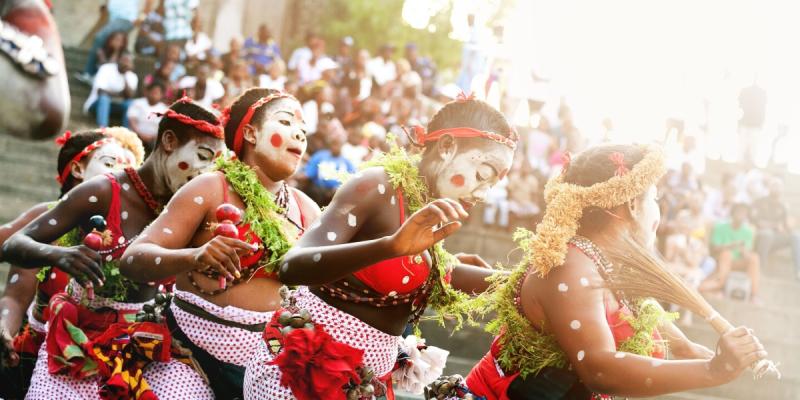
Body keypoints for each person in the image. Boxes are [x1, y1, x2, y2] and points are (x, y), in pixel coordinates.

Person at [244, 96, 517, 399]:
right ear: (447, 147)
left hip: (367, 381)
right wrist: (389, 247)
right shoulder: (376, 185)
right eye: (482, 175)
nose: (484, 194)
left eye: (493, 184)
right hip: (305, 376)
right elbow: (291, 267)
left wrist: (515, 281)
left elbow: (404, 266)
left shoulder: (428, 203)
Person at [465, 144, 766, 399]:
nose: (659, 212)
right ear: (634, 204)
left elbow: (684, 347)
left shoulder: (612, 270)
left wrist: (738, 364)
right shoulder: (571, 264)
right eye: (656, 199)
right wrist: (714, 371)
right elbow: (599, 368)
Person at [3, 98, 226, 399]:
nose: (207, 171)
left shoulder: (192, 210)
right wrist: (59, 255)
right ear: (170, 141)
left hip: (143, 349)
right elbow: (15, 244)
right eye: (202, 156)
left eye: (216, 164)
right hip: (75, 346)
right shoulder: (102, 191)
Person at [121, 88, 319, 398]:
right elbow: (133, 259)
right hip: (187, 356)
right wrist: (194, 256)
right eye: (286, 122)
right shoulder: (211, 187)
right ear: (251, 133)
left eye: (303, 130)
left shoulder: (307, 210)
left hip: (266, 365)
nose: (299, 135)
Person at [0, 128, 144, 399]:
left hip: (112, 365)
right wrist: (4, 328)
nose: (122, 175)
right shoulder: (44, 220)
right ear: (78, 169)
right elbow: (15, 298)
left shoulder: (140, 232)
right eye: (111, 163)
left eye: (129, 168)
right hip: (35, 360)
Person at [700, 203, 761, 302]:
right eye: (739, 212)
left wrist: (744, 251)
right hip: (721, 261)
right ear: (733, 213)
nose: (741, 215)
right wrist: (731, 245)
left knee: (754, 257)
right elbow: (714, 249)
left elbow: (748, 253)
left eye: (744, 213)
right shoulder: (720, 227)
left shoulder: (748, 231)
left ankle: (753, 295)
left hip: (738, 262)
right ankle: (720, 286)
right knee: (726, 254)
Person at [81, 0, 143, 79]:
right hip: (113, 18)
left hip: (126, 18)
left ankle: (89, 73)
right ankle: (97, 74)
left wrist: (142, 16)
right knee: (108, 44)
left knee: (100, 37)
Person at [752, 178, 800, 280]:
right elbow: (758, 222)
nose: (777, 188)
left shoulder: (783, 206)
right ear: (769, 188)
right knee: (767, 234)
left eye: (779, 186)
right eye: (774, 185)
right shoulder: (759, 201)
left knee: (796, 236)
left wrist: (788, 226)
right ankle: (759, 269)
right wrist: (774, 225)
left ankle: (798, 271)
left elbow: (785, 226)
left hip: (776, 238)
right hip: (760, 237)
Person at [83, 52, 138, 128]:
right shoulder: (106, 68)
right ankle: (103, 129)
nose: (126, 63)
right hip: (96, 105)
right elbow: (100, 91)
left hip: (116, 107)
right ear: (118, 60)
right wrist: (120, 94)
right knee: (104, 98)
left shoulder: (132, 76)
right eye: (124, 60)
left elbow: (129, 96)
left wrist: (125, 75)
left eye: (128, 62)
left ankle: (127, 131)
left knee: (130, 103)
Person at [304, 134, 355, 206]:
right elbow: (309, 174)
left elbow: (351, 179)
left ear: (342, 145)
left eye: (338, 144)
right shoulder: (320, 156)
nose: (335, 147)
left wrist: (339, 188)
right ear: (330, 144)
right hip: (319, 189)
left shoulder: (347, 162)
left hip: (337, 191)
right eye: (334, 143)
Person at [127, 81, 169, 148]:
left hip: (155, 139)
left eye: (157, 93)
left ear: (162, 95)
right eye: (153, 92)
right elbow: (132, 121)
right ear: (147, 92)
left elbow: (165, 128)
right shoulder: (137, 103)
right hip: (135, 136)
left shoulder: (165, 109)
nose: (154, 94)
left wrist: (152, 137)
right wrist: (140, 134)